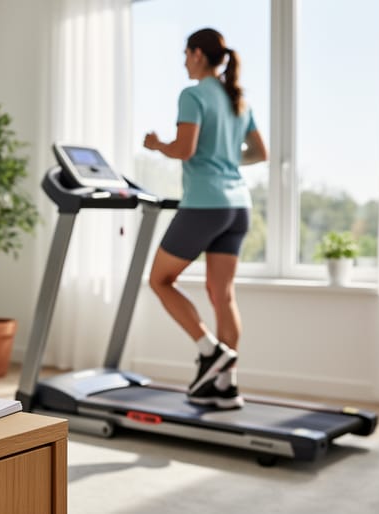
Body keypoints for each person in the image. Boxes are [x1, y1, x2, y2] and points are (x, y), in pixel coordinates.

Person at [143, 28, 268, 409]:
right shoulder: (237, 100)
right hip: (237, 206)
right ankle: (226, 386)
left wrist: (156, 145)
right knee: (222, 295)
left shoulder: (193, 94)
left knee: (160, 280)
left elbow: (185, 149)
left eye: (185, 53)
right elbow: (259, 153)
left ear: (198, 55)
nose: (183, 61)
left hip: (205, 204)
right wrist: (226, 158)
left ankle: (209, 350)